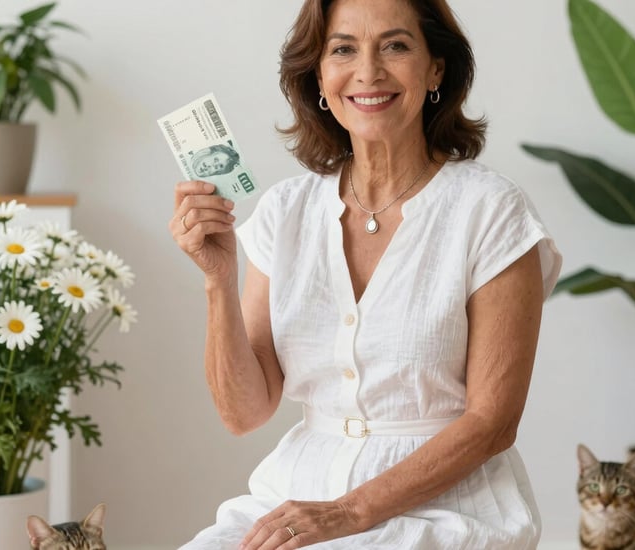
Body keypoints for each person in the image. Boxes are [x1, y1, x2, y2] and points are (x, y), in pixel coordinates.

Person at [169, 0, 562, 548]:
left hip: (444, 506)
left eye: (395, 46)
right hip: (295, 496)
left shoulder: (491, 211)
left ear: (436, 69)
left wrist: (348, 512)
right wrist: (218, 279)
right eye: (343, 50)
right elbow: (244, 413)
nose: (368, 71)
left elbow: (493, 423)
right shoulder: (285, 211)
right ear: (319, 78)